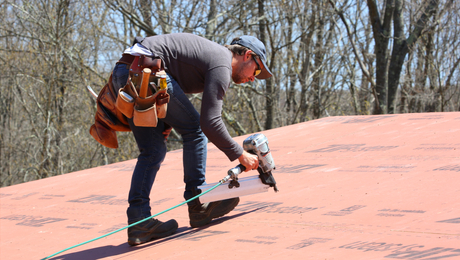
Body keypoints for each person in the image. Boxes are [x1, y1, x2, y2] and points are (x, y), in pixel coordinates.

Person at [110, 33, 273, 246]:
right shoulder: (222, 64)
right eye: (257, 70)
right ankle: (198, 203)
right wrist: (240, 154)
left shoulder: (215, 59)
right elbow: (210, 122)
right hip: (146, 71)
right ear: (247, 55)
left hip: (125, 72)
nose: (254, 78)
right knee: (195, 130)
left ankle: (139, 221)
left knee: (153, 150)